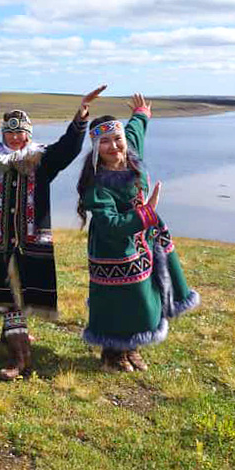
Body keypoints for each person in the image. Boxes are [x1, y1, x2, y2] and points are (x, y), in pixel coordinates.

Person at [0, 73, 106, 381]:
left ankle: (20, 356)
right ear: (3, 134)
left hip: (31, 240)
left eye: (21, 133)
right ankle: (14, 340)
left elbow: (69, 147)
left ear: (29, 134)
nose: (15, 138)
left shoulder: (43, 160)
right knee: (7, 292)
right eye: (10, 133)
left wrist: (81, 113)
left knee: (19, 292)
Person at [76, 93, 200, 372]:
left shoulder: (131, 153)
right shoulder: (96, 186)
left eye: (116, 139)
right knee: (118, 299)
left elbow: (135, 129)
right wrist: (147, 211)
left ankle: (132, 346)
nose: (113, 146)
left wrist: (141, 112)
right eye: (104, 142)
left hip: (144, 241)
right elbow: (110, 224)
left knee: (144, 295)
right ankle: (112, 352)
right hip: (113, 248)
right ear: (95, 148)